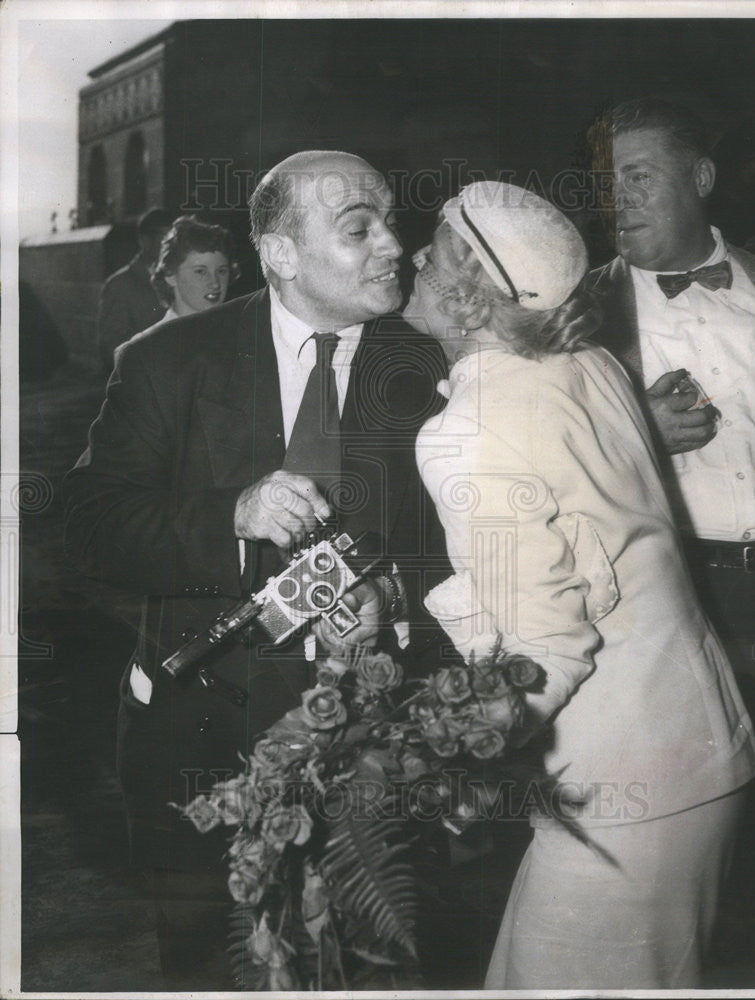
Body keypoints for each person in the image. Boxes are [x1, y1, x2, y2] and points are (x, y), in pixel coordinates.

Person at [63, 150, 449, 990]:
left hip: (375, 752)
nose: (394, 245)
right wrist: (229, 518)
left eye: (391, 220)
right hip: (198, 745)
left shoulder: (435, 365)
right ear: (279, 253)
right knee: (211, 969)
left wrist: (395, 597)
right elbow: (89, 526)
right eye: (359, 228)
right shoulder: (169, 361)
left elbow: (470, 541)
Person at [405, 180, 755, 989]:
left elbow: (547, 646)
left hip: (626, 790)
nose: (415, 259)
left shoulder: (464, 429)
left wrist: (443, 756)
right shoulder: (587, 364)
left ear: (470, 303)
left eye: (435, 252)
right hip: (698, 752)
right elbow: (591, 555)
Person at [584, 98, 755, 969]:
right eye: (609, 184)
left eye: (639, 177)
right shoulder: (576, 317)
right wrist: (633, 432)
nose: (618, 200)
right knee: (698, 842)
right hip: (684, 599)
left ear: (699, 179)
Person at [96, 207, 173, 371]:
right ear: (144, 241)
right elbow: (111, 350)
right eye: (165, 238)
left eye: (176, 238)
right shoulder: (119, 285)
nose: (173, 246)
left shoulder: (180, 278)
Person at [149, 214, 239, 323]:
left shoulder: (239, 334)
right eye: (201, 271)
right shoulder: (152, 339)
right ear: (170, 275)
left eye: (221, 271)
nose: (215, 284)